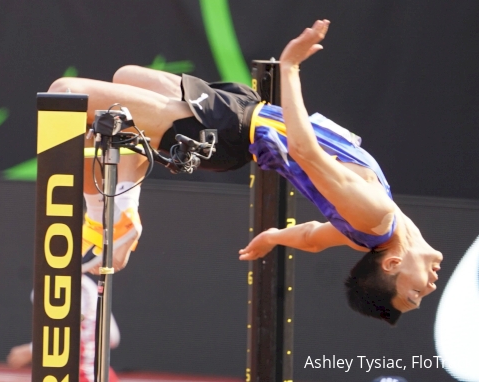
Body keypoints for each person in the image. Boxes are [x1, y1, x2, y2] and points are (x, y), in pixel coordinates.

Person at [48, 20, 442, 325]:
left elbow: (305, 151)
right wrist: (273, 236)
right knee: (127, 76)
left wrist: (290, 68)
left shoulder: (374, 218)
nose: (427, 289)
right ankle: (120, 208)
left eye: (414, 295)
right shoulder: (370, 236)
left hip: (228, 131)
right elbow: (312, 237)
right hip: (243, 108)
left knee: (64, 92)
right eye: (417, 296)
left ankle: (111, 216)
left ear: (392, 266)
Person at [7, 274, 121, 382]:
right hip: (103, 376)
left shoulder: (66, 289)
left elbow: (71, 331)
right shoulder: (90, 287)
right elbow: (112, 338)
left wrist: (32, 350)